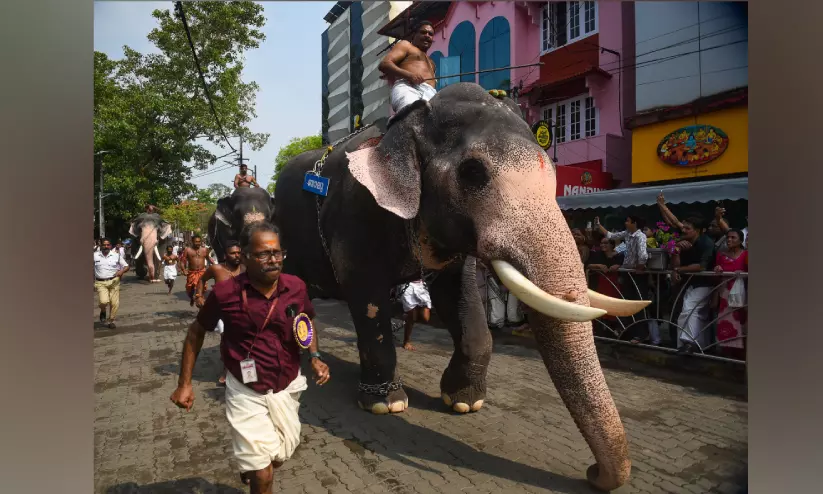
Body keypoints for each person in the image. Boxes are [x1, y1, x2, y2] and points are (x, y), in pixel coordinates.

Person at [170, 222, 330, 494]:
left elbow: (306, 322)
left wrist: (314, 355)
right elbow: (196, 331)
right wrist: (185, 383)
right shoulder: (225, 293)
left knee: (279, 457)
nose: (273, 260)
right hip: (246, 390)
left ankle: (254, 465)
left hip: (287, 387)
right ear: (244, 256)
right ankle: (256, 470)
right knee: (263, 474)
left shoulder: (296, 287)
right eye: (263, 254)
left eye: (277, 253)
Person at [195, 240, 246, 384]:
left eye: (238, 253)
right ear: (225, 255)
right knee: (226, 338)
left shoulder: (245, 269)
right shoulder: (216, 269)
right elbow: (201, 280)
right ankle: (226, 369)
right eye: (233, 253)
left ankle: (244, 369)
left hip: (241, 311)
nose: (236, 256)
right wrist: (199, 296)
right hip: (221, 311)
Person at [595, 215, 650, 342]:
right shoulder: (627, 234)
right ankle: (629, 332)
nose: (625, 223)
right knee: (627, 303)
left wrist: (639, 267)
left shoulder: (640, 236)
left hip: (636, 274)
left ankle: (641, 334)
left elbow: (643, 256)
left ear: (634, 223)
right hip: (628, 272)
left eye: (628, 221)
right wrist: (599, 225)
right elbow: (611, 236)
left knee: (638, 304)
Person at [672, 216, 716, 353]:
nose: (684, 230)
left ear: (698, 231)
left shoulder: (706, 243)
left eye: (687, 228)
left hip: (705, 284)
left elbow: (701, 266)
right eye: (683, 227)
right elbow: (675, 264)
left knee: (690, 310)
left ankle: (689, 343)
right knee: (693, 313)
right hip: (689, 284)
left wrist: (678, 270)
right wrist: (676, 250)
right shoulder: (682, 242)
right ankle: (697, 346)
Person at [379, 20, 437, 114]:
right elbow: (384, 64)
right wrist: (409, 75)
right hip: (408, 88)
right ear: (414, 35)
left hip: (431, 94)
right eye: (423, 32)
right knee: (412, 115)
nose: (427, 35)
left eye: (430, 34)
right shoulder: (406, 45)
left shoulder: (432, 63)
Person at [713, 229, 748, 360]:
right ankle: (728, 359)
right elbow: (715, 278)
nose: (729, 240)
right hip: (725, 296)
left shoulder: (746, 255)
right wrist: (717, 270)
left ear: (740, 240)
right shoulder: (721, 256)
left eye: (733, 238)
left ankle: (742, 360)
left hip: (742, 296)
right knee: (726, 326)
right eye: (728, 237)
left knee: (742, 326)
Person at [94, 237, 130, 329]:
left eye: (108, 245)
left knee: (114, 303)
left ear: (110, 245)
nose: (106, 246)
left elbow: (126, 266)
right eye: (104, 245)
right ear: (100, 245)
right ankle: (103, 310)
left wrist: (121, 272)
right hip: (100, 282)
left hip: (114, 281)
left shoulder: (116, 255)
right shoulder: (95, 255)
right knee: (103, 301)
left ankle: (111, 320)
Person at [398, 280, 432, 351]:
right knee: (412, 316)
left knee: (426, 318)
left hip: (420, 284)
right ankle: (406, 341)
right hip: (407, 284)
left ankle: (409, 316)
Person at [179, 234, 211, 307]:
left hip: (202, 272)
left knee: (202, 288)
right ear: (192, 242)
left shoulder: (204, 249)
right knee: (190, 289)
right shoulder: (187, 250)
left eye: (199, 241)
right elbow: (182, 261)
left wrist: (215, 265)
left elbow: (209, 259)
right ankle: (191, 298)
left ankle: (200, 303)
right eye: (196, 242)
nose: (198, 243)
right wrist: (183, 270)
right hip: (192, 272)